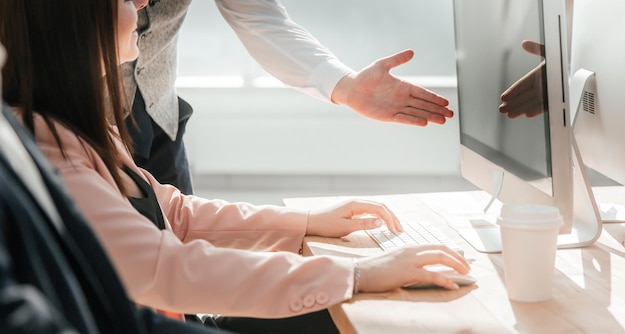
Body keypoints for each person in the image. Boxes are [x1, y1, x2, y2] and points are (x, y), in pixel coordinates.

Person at [0, 0, 471, 333]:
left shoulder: (75, 128)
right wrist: (355, 275)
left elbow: (174, 216)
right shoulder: (54, 150)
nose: (144, 4)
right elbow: (166, 268)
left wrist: (308, 223)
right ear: (72, 23)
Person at [0, 43, 224, 334]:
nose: (143, 5)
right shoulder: (44, 135)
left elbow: (170, 211)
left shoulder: (85, 125)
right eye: (124, 2)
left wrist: (301, 222)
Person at [125, 0, 456, 194]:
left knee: (181, 270)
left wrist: (346, 87)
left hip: (159, 121)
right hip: (82, 120)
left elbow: (259, 19)